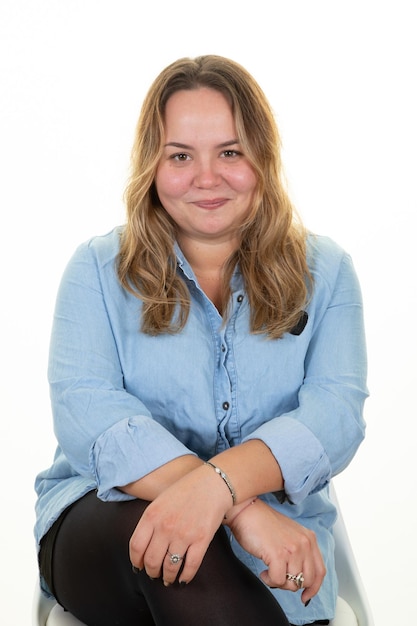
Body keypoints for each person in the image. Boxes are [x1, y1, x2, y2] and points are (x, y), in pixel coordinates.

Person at [34, 55, 368, 626]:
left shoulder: (328, 271)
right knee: (185, 552)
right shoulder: (95, 269)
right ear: (152, 166)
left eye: (230, 152)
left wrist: (220, 492)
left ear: (262, 157)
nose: (207, 178)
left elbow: (335, 416)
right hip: (108, 524)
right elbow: (90, 415)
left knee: (203, 567)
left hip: (281, 545)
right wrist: (238, 507)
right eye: (181, 155)